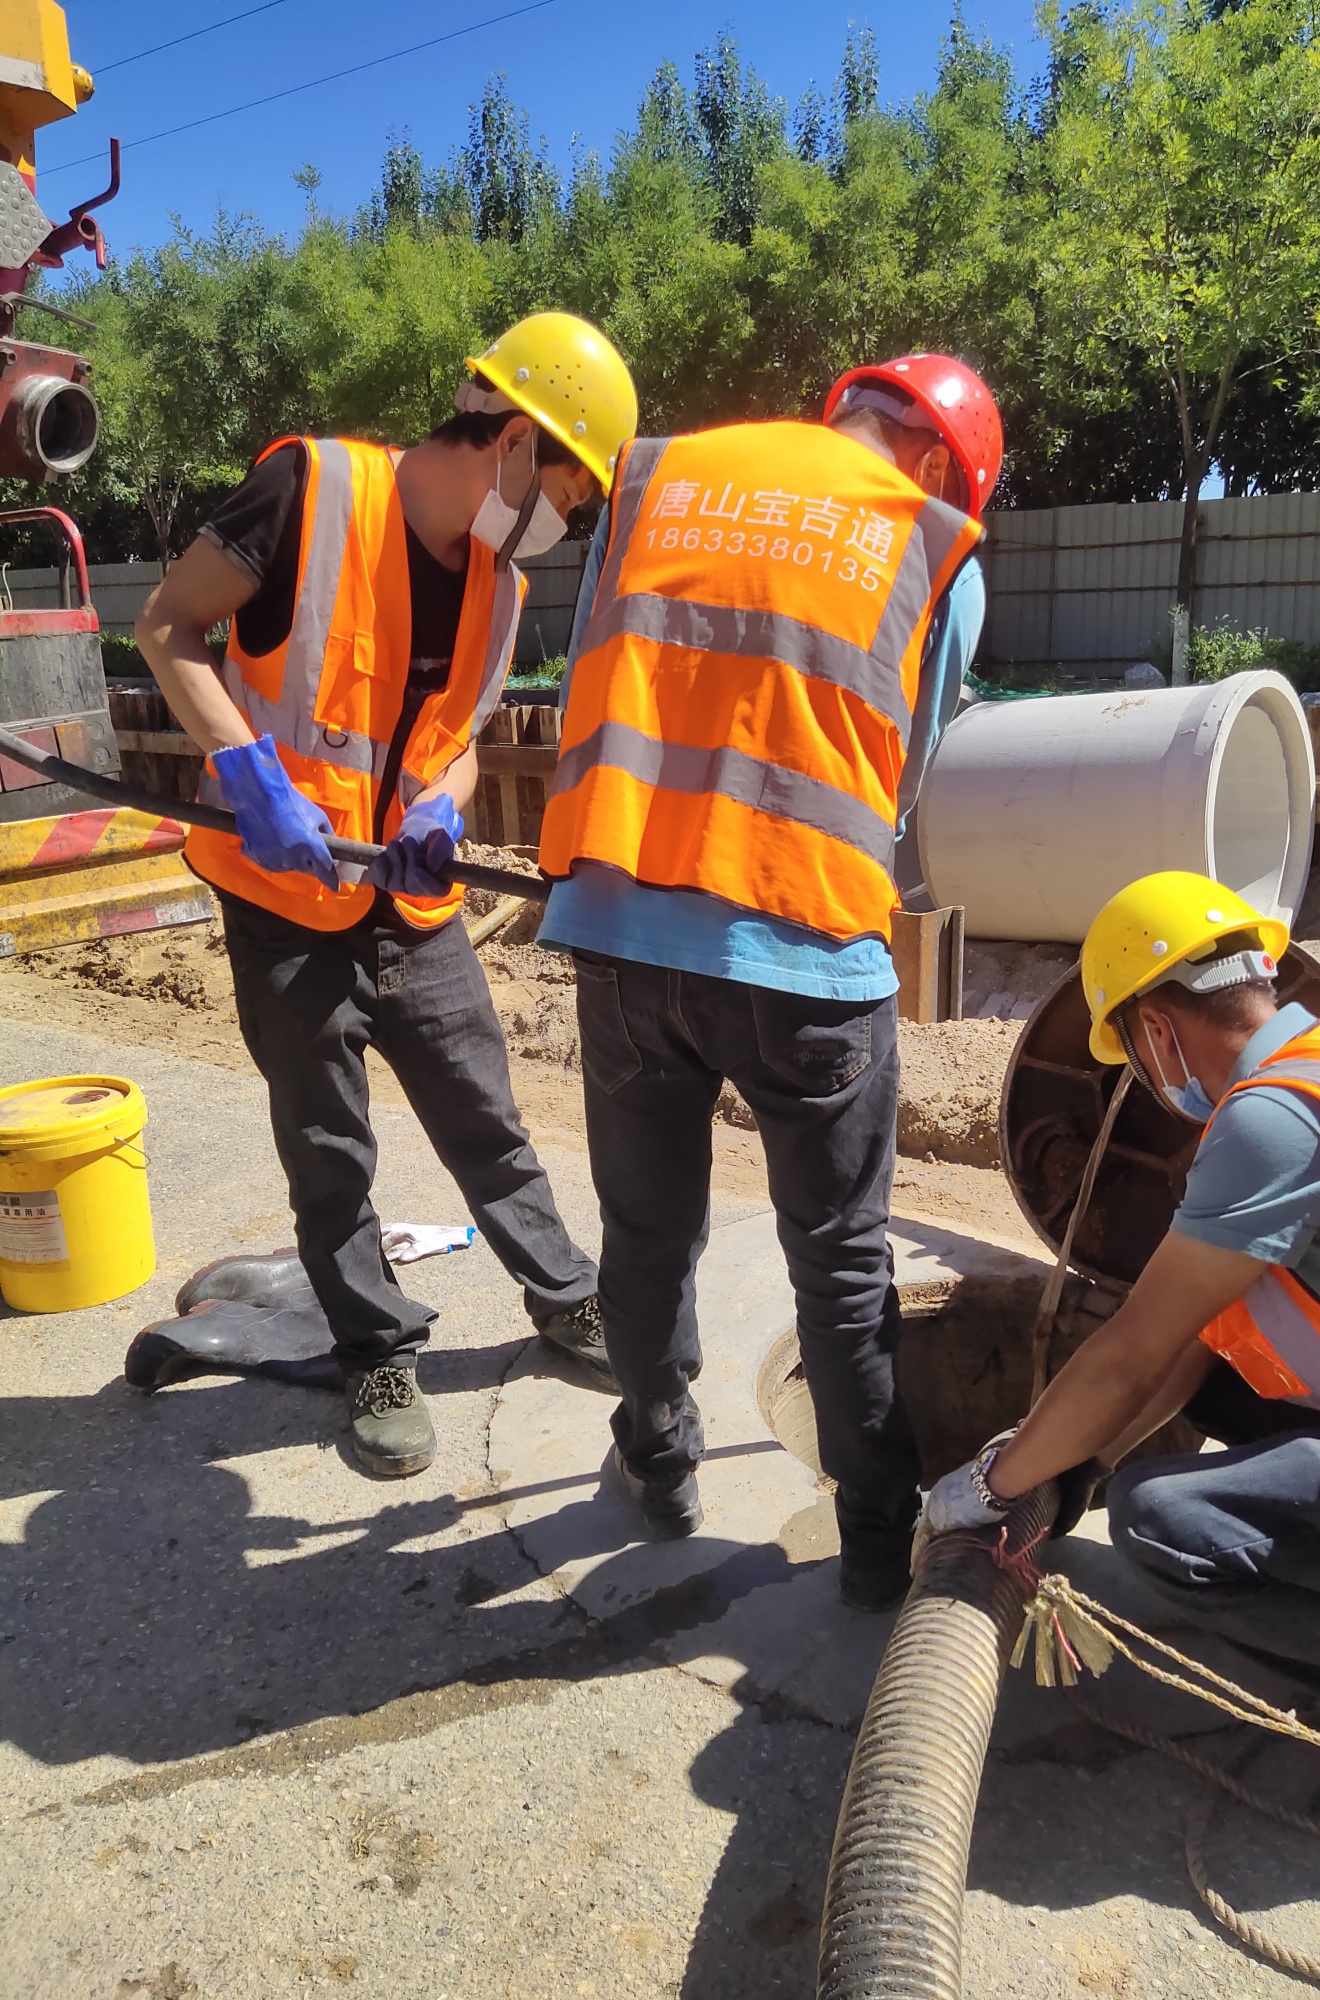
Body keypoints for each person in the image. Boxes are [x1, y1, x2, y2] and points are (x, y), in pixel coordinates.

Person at [136, 312, 638, 1480]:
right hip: (283, 892)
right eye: (573, 489)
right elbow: (166, 625)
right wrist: (246, 772)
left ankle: (565, 1294)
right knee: (329, 1146)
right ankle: (372, 1345)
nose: (568, 521)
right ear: (514, 439)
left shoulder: (498, 586)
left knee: (486, 1115)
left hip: (409, 903)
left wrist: (442, 808)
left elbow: (454, 740)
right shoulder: (305, 493)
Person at [534, 353, 1000, 1609]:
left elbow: (595, 666)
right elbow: (905, 775)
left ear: (844, 410)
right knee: (839, 1264)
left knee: (643, 1231)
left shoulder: (660, 478)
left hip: (623, 924)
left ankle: (664, 1459)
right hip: (806, 949)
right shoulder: (934, 543)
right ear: (943, 462)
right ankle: (872, 1541)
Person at [924, 869, 1320, 1833]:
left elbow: (1132, 1350)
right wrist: (1066, 1472)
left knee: (1165, 1524)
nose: (1147, 1075)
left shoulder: (1274, 1122)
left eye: (1134, 1052)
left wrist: (991, 1485)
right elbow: (1198, 1337)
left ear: (1156, 1027)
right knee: (1220, 1400)